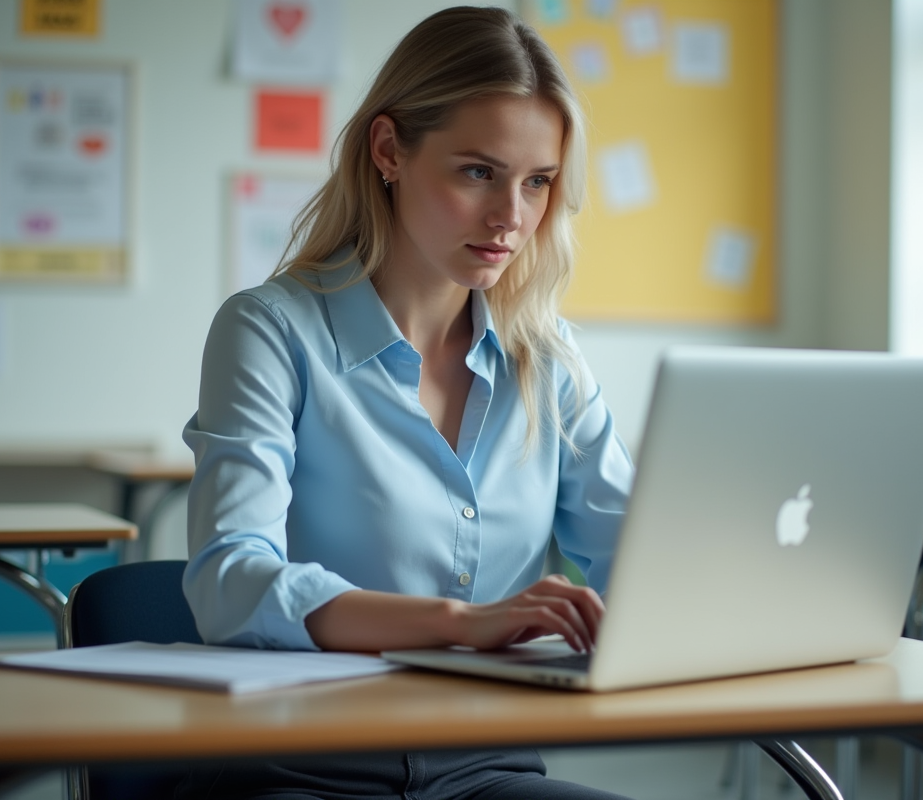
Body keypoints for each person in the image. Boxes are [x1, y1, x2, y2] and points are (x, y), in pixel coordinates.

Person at [180, 6, 635, 799]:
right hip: (302, 767)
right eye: (477, 172)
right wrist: (459, 626)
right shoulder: (271, 331)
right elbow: (230, 582)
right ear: (389, 150)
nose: (511, 217)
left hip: (487, 766)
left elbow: (636, 552)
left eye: (538, 183)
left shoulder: (549, 357)